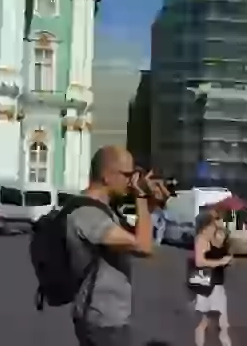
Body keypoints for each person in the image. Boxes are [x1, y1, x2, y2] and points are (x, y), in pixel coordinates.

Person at [66, 145, 155, 346]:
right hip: (103, 320)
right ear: (107, 176)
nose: (131, 181)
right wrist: (140, 196)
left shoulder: (103, 209)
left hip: (104, 316)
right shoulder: (88, 214)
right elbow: (143, 246)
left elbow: (136, 235)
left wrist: (151, 203)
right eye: (128, 175)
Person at [193, 196, 242, 346]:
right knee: (210, 324)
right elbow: (199, 262)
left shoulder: (217, 238)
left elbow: (221, 254)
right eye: (216, 220)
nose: (219, 222)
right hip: (207, 285)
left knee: (217, 324)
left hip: (217, 286)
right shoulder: (202, 239)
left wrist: (227, 259)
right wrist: (220, 261)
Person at [150, 180, 170, 245]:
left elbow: (167, 194)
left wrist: (161, 186)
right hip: (157, 207)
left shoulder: (162, 189)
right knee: (154, 222)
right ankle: (157, 239)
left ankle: (158, 239)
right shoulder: (154, 188)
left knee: (162, 224)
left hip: (162, 207)